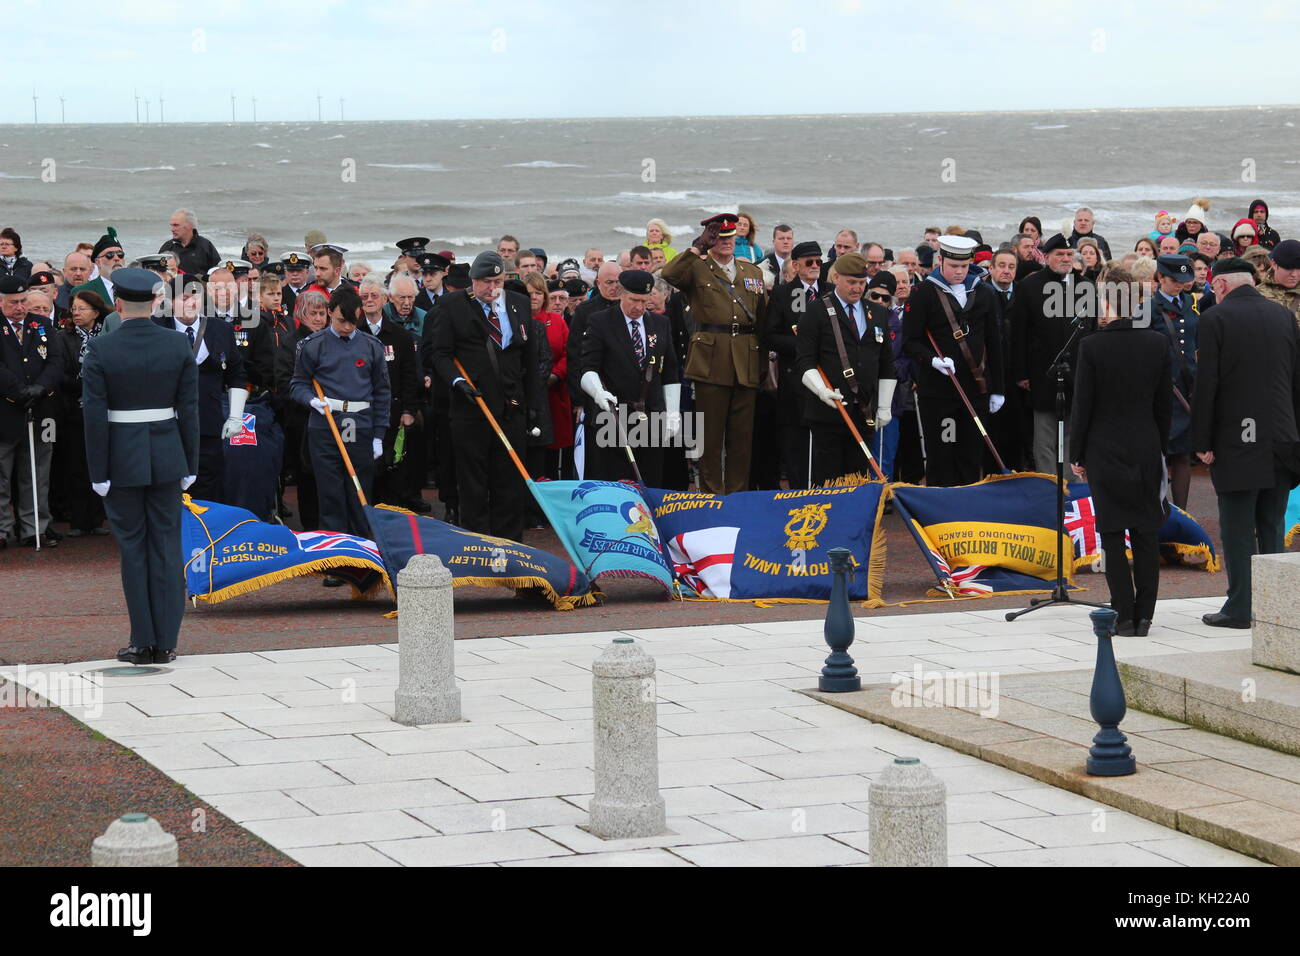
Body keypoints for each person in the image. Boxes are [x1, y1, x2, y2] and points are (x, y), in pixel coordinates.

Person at [80, 268, 199, 664]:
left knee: (133, 549)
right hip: (168, 455)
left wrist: (98, 472)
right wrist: (190, 462)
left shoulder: (101, 348)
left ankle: (142, 640)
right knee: (166, 546)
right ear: (155, 303)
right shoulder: (177, 344)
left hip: (121, 457)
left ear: (117, 304)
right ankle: (166, 643)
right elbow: (189, 410)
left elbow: (94, 416)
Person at [1192, 257, 1300, 628]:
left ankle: (1240, 607)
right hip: (1282, 437)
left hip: (1238, 438)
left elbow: (1207, 383)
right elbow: (1296, 382)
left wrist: (1202, 439)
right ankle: (1275, 606)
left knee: (1238, 528)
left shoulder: (1215, 319)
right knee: (1272, 524)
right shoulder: (1283, 316)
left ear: (1221, 285)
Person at [1069, 266, 1172, 637]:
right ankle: (1145, 616)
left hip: (1104, 447)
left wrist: (1077, 453)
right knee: (1145, 531)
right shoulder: (1157, 343)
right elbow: (1163, 406)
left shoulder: (1092, 346)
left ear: (1107, 301)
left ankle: (1123, 613)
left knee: (1112, 532)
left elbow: (1083, 405)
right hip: (1145, 444)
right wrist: (1159, 448)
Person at [431, 251, 543, 542]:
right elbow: (439, 354)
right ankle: (477, 545)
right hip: (472, 409)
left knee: (510, 483)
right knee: (473, 485)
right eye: (486, 282)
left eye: (498, 281)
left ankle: (510, 545)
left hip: (511, 409)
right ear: (473, 281)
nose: (493, 288)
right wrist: (457, 382)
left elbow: (529, 359)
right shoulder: (452, 305)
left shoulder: (518, 302)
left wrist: (533, 405)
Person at [660, 214, 769, 494]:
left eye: (730, 237)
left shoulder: (752, 272)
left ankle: (737, 496)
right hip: (710, 361)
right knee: (709, 438)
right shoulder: (697, 268)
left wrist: (761, 364)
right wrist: (697, 247)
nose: (726, 242)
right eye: (719, 237)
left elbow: (762, 321)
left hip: (745, 359)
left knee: (741, 439)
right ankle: (711, 495)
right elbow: (669, 275)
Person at [290, 286, 391, 558]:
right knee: (330, 494)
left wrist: (379, 435)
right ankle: (334, 557)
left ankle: (361, 554)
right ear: (329, 312)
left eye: (352, 321)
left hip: (361, 424)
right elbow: (297, 384)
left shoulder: (372, 346)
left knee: (360, 492)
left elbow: (382, 392)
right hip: (325, 426)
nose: (347, 327)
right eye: (341, 320)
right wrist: (311, 401)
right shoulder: (312, 345)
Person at [902, 235, 1005, 487]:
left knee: (971, 454)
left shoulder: (985, 292)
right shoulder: (923, 293)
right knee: (941, 454)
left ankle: (968, 504)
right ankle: (941, 505)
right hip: (939, 394)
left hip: (975, 390)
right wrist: (933, 361)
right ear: (940, 261)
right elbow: (910, 341)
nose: (959, 272)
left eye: (964, 266)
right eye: (953, 266)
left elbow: (994, 343)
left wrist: (998, 390)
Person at [795, 253, 896, 485]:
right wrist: (821, 390)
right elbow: (804, 360)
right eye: (851, 282)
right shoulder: (816, 311)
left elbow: (886, 363)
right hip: (829, 410)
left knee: (858, 479)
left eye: (861, 282)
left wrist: (884, 406)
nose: (857, 288)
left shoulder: (878, 312)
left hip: (864, 411)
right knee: (828, 478)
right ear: (836, 278)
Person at [579, 269, 680, 487]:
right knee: (614, 484)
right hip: (613, 417)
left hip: (651, 416)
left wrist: (673, 413)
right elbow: (587, 368)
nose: (639, 307)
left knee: (650, 482)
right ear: (621, 294)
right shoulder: (600, 322)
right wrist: (598, 393)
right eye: (634, 300)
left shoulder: (660, 324)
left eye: (644, 301)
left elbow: (670, 372)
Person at [1011, 233, 1093, 473]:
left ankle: (1070, 485)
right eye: (1060, 254)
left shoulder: (1086, 286)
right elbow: (1019, 333)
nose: (1066, 258)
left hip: (1078, 372)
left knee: (1073, 434)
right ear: (1046, 257)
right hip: (1042, 373)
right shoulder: (1029, 286)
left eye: (1069, 254)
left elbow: (1093, 332)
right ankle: (1049, 484)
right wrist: (1021, 373)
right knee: (1045, 437)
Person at [0, 276, 66, 548]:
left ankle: (34, 527)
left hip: (41, 409)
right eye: (13, 303)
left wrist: (40, 387)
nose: (20, 308)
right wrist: (18, 391)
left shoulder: (42, 325)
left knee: (37, 472)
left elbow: (56, 360)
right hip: (6, 408)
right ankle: (2, 529)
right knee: (2, 475)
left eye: (23, 301)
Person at [763, 240, 822, 489]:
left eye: (819, 261)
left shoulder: (830, 291)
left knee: (823, 443)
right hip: (794, 380)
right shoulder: (782, 294)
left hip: (826, 379)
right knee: (796, 443)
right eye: (809, 262)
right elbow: (770, 336)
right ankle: (799, 493)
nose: (815, 266)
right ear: (796, 265)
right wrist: (803, 345)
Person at [357, 275, 420, 509]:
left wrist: (409, 410)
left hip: (393, 412)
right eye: (364, 296)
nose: (369, 300)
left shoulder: (401, 336)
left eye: (374, 295)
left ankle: (392, 513)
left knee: (393, 466)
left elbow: (409, 375)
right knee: (367, 467)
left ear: (385, 299)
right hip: (362, 413)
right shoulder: (353, 333)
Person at [1146, 255, 1199, 510]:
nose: (1179, 285)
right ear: (1160, 278)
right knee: (1159, 456)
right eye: (1174, 280)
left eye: (1183, 280)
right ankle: (1158, 512)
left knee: (1183, 455)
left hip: (1187, 389)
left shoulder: (1190, 303)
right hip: (1161, 390)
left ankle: (1182, 513)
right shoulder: (1147, 308)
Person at [60, 290, 114, 537]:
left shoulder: (108, 335)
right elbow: (60, 372)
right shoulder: (64, 337)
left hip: (104, 408)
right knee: (76, 464)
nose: (76, 313)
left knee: (102, 462)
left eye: (82, 308)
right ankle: (79, 520)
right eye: (74, 308)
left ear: (96, 311)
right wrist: (86, 385)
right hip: (74, 407)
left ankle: (98, 517)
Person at [275, 290, 329, 532]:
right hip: (302, 419)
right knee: (307, 476)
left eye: (322, 313)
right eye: (313, 314)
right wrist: (309, 400)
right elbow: (284, 382)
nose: (318, 319)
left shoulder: (332, 339)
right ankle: (311, 526)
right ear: (300, 314)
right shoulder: (290, 343)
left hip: (331, 417)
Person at [527, 274, 573, 481]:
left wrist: (556, 374)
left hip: (555, 390)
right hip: (529, 392)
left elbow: (568, 352)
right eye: (529, 293)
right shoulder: (518, 321)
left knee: (555, 446)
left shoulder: (556, 321)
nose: (534, 297)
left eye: (538, 292)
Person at [159, 209, 221, 277]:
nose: (172, 229)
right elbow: (157, 273)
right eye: (171, 225)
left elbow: (218, 272)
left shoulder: (205, 246)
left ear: (190, 226)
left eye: (176, 225)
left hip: (198, 283)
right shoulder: (167, 247)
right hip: (175, 283)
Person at [1258, 239, 1300, 322]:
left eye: (1299, 268)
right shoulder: (1256, 295)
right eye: (1288, 268)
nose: (1294, 274)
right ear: (1274, 264)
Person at [281, 251, 313, 317]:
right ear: (285, 272)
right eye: (291, 270)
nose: (295, 274)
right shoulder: (280, 294)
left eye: (299, 270)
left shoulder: (314, 292)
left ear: (307, 272)